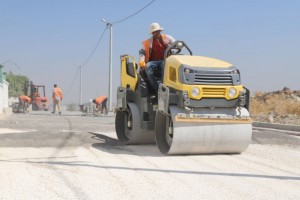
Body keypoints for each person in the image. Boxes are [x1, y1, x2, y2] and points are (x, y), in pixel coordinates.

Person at [138, 22, 175, 93]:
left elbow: (176, 44)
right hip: (154, 62)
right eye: (154, 32)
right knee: (148, 66)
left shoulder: (167, 38)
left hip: (165, 60)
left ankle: (165, 86)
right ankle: (157, 89)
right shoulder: (147, 42)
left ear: (160, 31)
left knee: (164, 65)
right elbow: (142, 52)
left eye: (157, 31)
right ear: (152, 33)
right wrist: (142, 60)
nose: (156, 33)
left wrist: (171, 46)